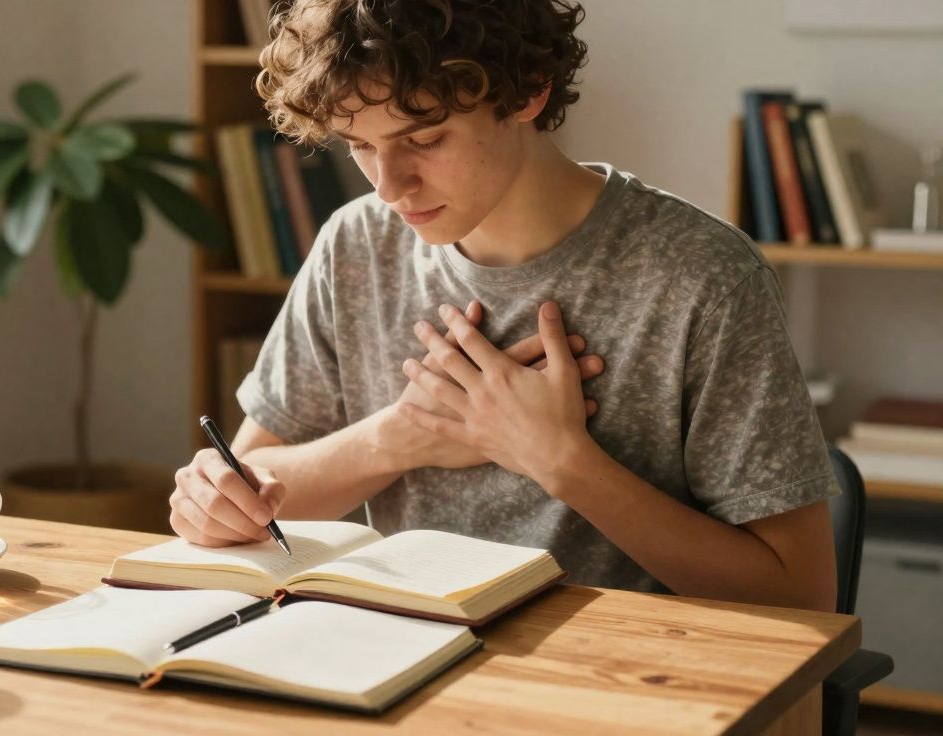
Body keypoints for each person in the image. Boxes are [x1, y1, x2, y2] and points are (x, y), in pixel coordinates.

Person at [170, 0, 838, 611]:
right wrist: (395, 439)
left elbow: (800, 597)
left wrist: (560, 460)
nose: (390, 186)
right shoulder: (356, 243)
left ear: (527, 93)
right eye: (362, 147)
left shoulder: (703, 276)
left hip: (624, 679)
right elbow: (259, 482)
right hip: (404, 658)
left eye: (424, 140)